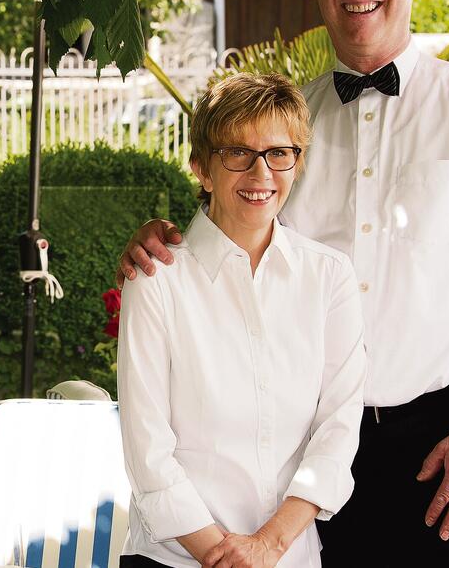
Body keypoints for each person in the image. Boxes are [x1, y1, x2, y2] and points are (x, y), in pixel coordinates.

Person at [117, 0, 449, 567]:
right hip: (306, 457)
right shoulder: (288, 127)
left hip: (440, 446)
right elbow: (235, 240)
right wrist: (161, 237)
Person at [118, 73, 366, 568]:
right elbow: (147, 453)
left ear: (297, 163)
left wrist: (267, 546)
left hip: (289, 557)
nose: (261, 174)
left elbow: (337, 430)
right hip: (176, 559)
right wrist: (227, 558)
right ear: (202, 168)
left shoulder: (330, 277)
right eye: (237, 153)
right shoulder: (156, 280)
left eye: (279, 153)